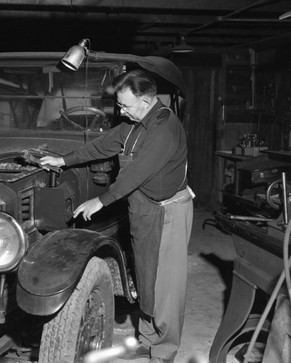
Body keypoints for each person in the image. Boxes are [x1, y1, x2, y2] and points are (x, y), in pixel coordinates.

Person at [40, 69, 194, 363]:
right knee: (146, 277)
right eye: (120, 105)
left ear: (147, 102)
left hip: (168, 210)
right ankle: (149, 341)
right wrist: (63, 160)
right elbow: (103, 145)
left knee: (167, 285)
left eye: (126, 105)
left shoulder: (164, 127)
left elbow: (137, 173)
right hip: (143, 208)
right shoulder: (133, 125)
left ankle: (164, 351)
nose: (121, 111)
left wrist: (101, 200)